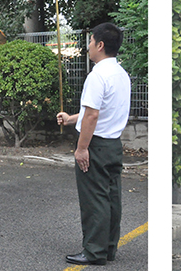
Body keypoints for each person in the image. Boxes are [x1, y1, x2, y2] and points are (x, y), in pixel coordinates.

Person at [57, 23, 131, 267]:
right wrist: (71, 119)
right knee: (111, 197)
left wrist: (81, 148)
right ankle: (108, 248)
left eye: (90, 41)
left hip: (95, 145)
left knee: (94, 199)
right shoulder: (121, 74)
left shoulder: (97, 75)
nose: (87, 46)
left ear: (100, 45)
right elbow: (98, 111)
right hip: (113, 145)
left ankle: (94, 252)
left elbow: (92, 115)